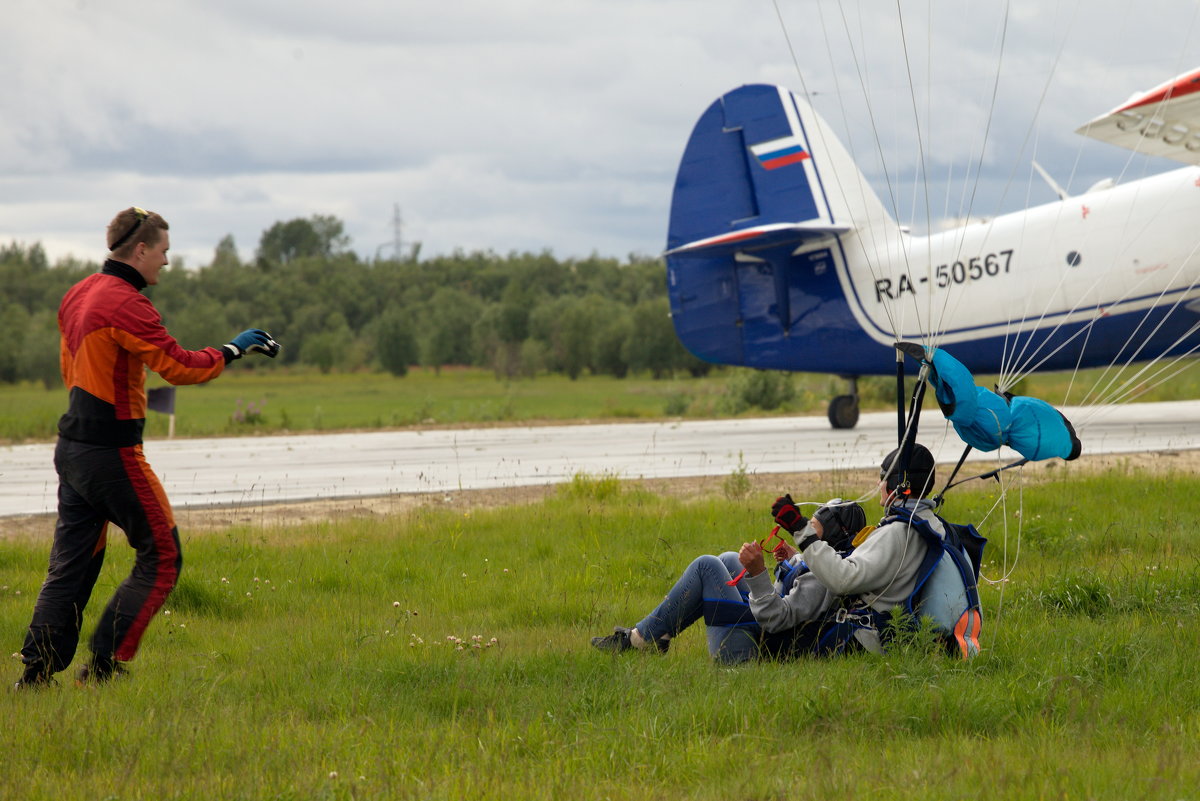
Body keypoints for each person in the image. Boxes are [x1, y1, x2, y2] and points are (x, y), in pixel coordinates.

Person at [14, 207, 280, 689]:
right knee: (162, 556)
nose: (167, 262)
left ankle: (35, 675)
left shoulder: (78, 294)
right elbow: (180, 366)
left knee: (71, 565)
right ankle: (102, 667)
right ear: (140, 250)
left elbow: (70, 368)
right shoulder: (126, 304)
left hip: (71, 446)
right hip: (110, 454)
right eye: (164, 252)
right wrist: (233, 350)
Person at [590, 443, 942, 663]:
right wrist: (793, 561)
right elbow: (825, 569)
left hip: (753, 651)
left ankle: (640, 640)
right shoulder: (907, 530)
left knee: (706, 567)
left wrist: (760, 574)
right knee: (728, 559)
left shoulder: (893, 535)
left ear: (899, 485)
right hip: (775, 630)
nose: (878, 485)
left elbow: (780, 615)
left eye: (884, 477)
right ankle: (657, 635)